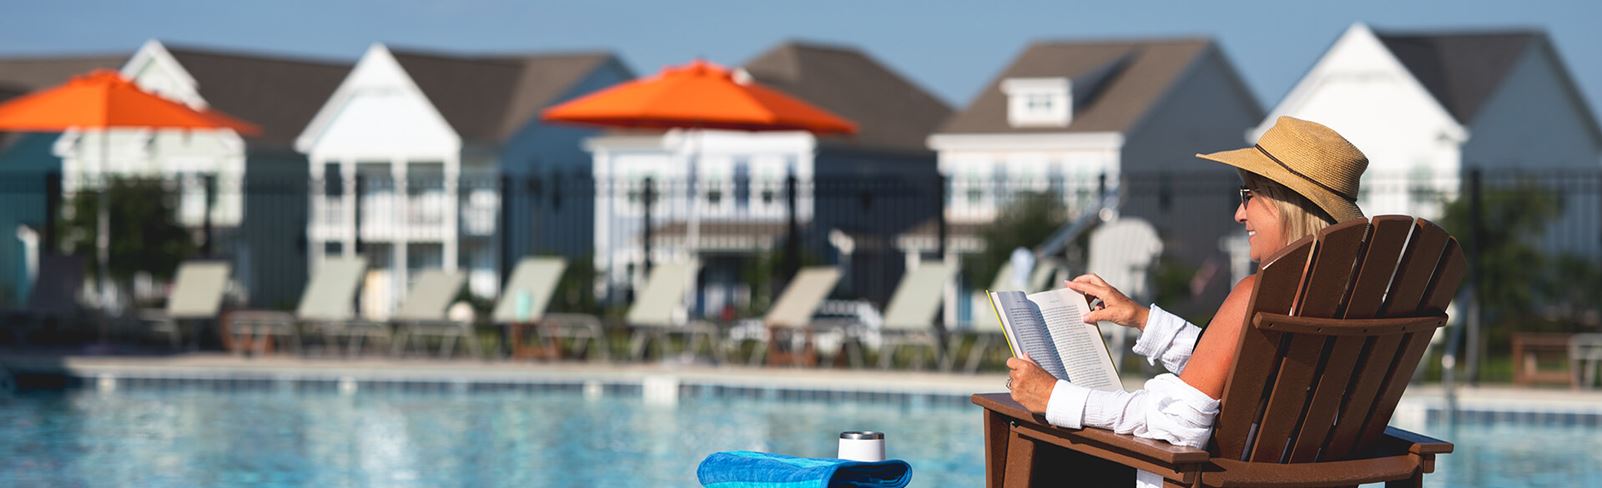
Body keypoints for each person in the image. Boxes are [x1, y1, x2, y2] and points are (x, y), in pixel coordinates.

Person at [1004, 116, 1371, 463]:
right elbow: (1243, 374)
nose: (1239, 214)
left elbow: (1179, 428)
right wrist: (1142, 319)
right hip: (1301, 475)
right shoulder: (1353, 300)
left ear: (1285, 205)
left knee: (1027, 441)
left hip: (1206, 480)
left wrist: (1056, 397)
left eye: (1248, 196)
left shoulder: (1257, 295)